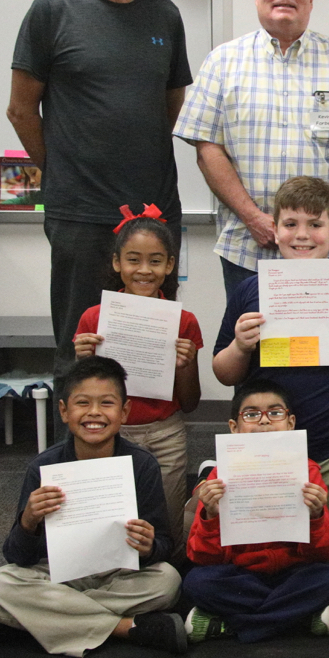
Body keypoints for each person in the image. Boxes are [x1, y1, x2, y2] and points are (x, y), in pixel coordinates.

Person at [7, 0, 191, 384]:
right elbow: (21, 109)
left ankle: (150, 455)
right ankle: (83, 460)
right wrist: (63, 169)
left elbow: (174, 107)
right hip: (81, 213)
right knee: (81, 345)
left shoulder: (165, 15)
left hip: (154, 212)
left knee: (151, 347)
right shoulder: (52, 9)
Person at [173, 0, 329, 306]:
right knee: (252, 351)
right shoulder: (223, 61)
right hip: (246, 246)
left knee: (316, 352)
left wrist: (327, 206)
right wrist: (254, 218)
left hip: (321, 246)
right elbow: (207, 149)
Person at [212, 176, 329, 565]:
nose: (302, 235)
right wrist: (240, 346)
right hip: (266, 454)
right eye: (291, 224)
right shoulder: (250, 292)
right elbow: (224, 373)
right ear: (274, 230)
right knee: (268, 553)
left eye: (315, 225)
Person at [0, 357, 185, 657]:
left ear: (124, 412)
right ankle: (125, 628)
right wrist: (28, 521)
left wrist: (148, 546)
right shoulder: (44, 466)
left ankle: (30, 620)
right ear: (64, 411)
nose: (94, 413)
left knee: (168, 581)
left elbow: (163, 545)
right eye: (83, 403)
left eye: (107, 403)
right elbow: (16, 556)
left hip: (118, 573)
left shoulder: (142, 465)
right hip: (59, 572)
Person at [182, 379, 329, 644]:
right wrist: (211, 517)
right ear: (234, 428)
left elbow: (326, 552)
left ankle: (232, 624)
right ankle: (297, 617)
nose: (264, 421)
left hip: (292, 574)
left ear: (291, 423)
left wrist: (317, 517)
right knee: (196, 582)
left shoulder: (307, 471)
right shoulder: (218, 476)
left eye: (275, 413)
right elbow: (201, 557)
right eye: (251, 414)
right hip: (240, 575)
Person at [72, 209, 201, 553]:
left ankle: (166, 581)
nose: (144, 270)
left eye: (155, 261)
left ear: (170, 265)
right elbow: (81, 396)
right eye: (133, 260)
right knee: (108, 518)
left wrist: (185, 364)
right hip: (111, 434)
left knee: (168, 528)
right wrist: (82, 360)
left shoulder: (183, 322)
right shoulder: (94, 318)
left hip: (165, 434)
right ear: (117, 263)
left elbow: (190, 403)